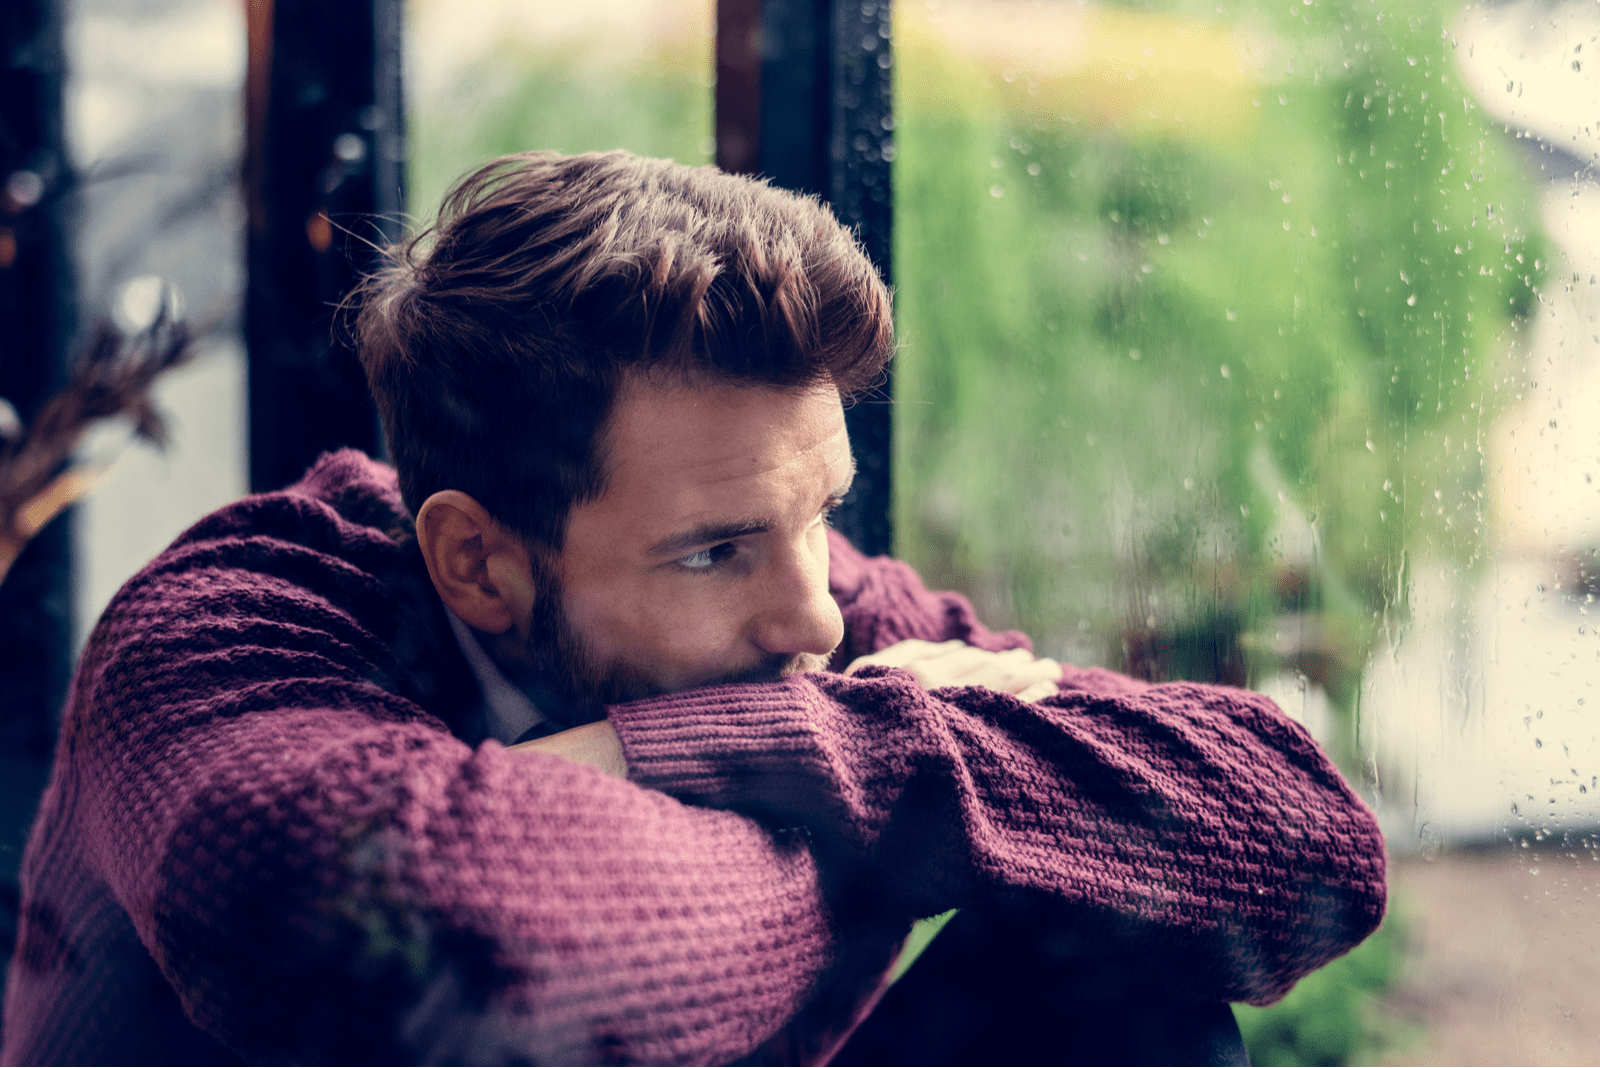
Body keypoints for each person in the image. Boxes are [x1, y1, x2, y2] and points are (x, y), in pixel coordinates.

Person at [1, 151, 1386, 1065]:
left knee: (1124, 987)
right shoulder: (219, 638)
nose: (819, 625)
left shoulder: (808, 601)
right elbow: (455, 970)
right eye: (716, 551)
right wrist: (914, 814)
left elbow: (1301, 851)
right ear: (480, 562)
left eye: (823, 511)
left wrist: (749, 753)